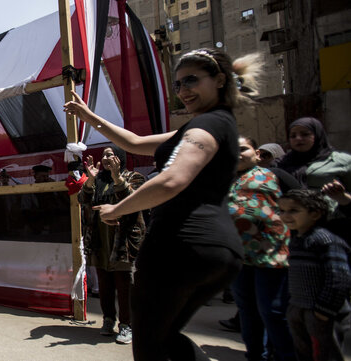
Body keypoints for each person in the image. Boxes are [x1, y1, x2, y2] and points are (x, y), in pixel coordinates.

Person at [64, 48, 262, 359]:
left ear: (220, 80)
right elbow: (134, 142)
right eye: (179, 85)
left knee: (150, 346)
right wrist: (90, 117)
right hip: (216, 251)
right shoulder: (201, 126)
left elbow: (172, 179)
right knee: (164, 338)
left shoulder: (207, 126)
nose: (183, 91)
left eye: (192, 81)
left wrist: (117, 209)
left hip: (182, 245)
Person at [228, 136, 295, 360]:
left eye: (243, 149)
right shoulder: (222, 180)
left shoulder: (275, 175)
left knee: (273, 312)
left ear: (257, 153)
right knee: (248, 311)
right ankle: (255, 355)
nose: (237, 153)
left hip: (272, 256)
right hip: (238, 258)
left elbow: (305, 202)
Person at [79, 146, 146, 345]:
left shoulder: (134, 177)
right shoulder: (98, 180)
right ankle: (108, 319)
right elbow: (82, 199)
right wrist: (90, 179)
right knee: (105, 283)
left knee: (124, 284)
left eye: (110, 154)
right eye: (104, 155)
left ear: (120, 157)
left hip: (123, 240)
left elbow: (131, 200)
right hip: (100, 240)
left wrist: (117, 177)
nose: (106, 158)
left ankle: (126, 325)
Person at [279, 189, 351, 360]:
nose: (286, 216)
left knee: (327, 353)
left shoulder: (325, 240)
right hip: (299, 308)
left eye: (293, 211)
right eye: (282, 211)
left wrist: (324, 309)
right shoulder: (297, 240)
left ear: (315, 214)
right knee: (304, 352)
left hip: (322, 312)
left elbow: (339, 277)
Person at [278, 117, 351, 240]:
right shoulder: (281, 164)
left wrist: (340, 196)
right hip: (293, 229)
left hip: (331, 226)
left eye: (305, 134)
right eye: (293, 136)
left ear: (318, 135)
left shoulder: (342, 161)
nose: (298, 139)